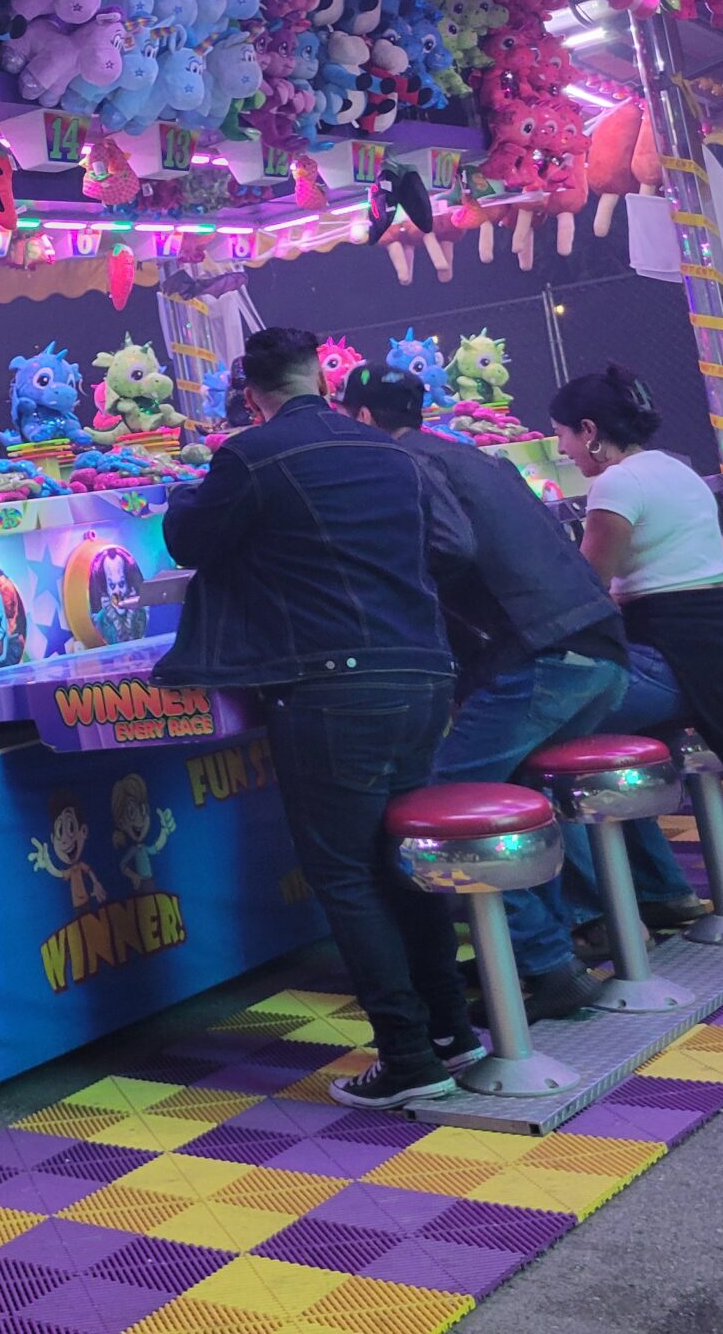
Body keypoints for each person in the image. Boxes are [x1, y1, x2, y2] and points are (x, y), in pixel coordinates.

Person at [162, 327, 479, 1108]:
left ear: (250, 392)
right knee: (400, 864)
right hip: (426, 673)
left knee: (346, 874)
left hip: (335, 686)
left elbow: (190, 538)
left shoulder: (252, 455)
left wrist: (181, 492)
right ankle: (450, 1031)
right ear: (319, 380)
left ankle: (408, 1059)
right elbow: (449, 549)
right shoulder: (391, 452)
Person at [341, 365, 638, 1020]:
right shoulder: (465, 455)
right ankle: (558, 946)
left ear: (360, 418)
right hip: (593, 648)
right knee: (521, 800)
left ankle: (546, 964)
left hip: (542, 656)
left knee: (450, 808)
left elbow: (448, 545)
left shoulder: (402, 463)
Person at [549, 364, 723, 923]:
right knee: (600, 746)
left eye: (562, 433)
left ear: (588, 429)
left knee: (547, 735)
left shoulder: (615, 483)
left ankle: (591, 917)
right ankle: (662, 891)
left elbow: (588, 591)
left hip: (673, 662)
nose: (562, 448)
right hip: (720, 659)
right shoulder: (675, 469)